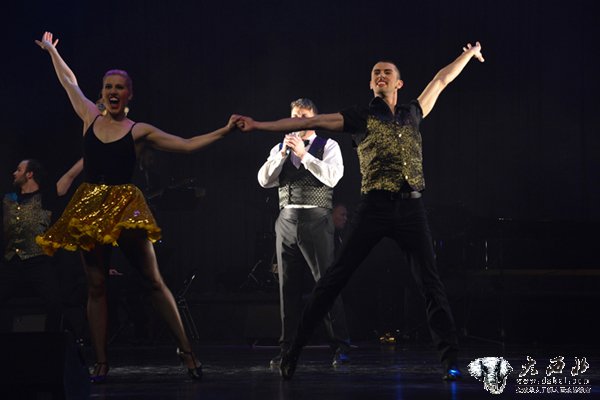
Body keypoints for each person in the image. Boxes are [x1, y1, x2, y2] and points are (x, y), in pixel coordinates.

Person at [236, 41, 485, 381]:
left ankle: (449, 361)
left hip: (411, 208)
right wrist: (258, 125)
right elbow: (316, 120)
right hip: (374, 208)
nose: (381, 75)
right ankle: (292, 352)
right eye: (376, 73)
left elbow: (441, 80)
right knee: (333, 279)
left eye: (387, 72)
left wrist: (468, 55)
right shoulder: (360, 117)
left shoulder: (413, 112)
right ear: (371, 84)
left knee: (431, 283)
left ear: (398, 83)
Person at [34, 31, 239, 383]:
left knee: (153, 281)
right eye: (108, 87)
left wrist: (224, 131)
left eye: (120, 87)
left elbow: (187, 145)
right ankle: (101, 363)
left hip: (124, 204)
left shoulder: (138, 130)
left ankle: (187, 352)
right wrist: (52, 51)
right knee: (96, 286)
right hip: (90, 205)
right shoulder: (89, 116)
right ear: (102, 93)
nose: (113, 91)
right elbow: (69, 81)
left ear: (129, 94)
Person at [257, 98, 351, 367]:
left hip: (316, 219)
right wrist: (282, 155)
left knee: (325, 284)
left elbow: (333, 177)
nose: (298, 120)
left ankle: (340, 345)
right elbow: (264, 180)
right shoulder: (279, 147)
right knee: (287, 287)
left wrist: (305, 155)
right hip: (286, 220)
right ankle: (287, 348)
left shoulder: (328, 145)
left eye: (304, 115)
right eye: (295, 115)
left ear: (314, 118)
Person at [0, 159, 81, 332]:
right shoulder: (7, 198)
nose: (14, 173)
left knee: (55, 303)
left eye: (19, 170)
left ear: (29, 174)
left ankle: (50, 341)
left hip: (37, 262)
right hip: (10, 263)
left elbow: (70, 176)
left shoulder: (46, 197)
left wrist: (90, 153)